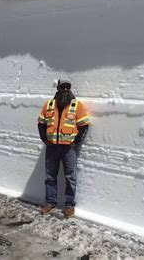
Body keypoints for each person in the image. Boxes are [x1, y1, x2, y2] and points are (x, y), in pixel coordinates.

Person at [37, 78, 90, 218]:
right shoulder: (48, 105)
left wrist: (76, 142)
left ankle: (69, 205)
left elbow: (84, 124)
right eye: (63, 87)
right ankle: (50, 202)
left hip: (68, 149)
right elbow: (41, 123)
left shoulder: (76, 105)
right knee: (50, 177)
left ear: (70, 88)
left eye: (68, 87)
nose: (65, 89)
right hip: (52, 147)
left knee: (70, 177)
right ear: (58, 88)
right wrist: (44, 138)